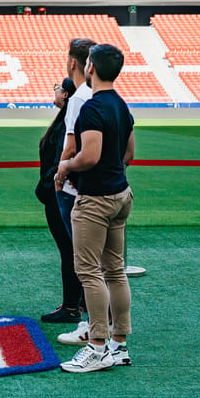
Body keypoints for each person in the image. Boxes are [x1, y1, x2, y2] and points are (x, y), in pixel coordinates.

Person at [55, 44, 136, 373]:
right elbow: (129, 151)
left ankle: (97, 346)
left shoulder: (92, 107)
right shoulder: (121, 105)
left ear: (91, 67)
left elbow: (88, 155)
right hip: (120, 194)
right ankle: (118, 344)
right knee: (115, 271)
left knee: (89, 272)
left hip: (95, 200)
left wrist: (64, 168)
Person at [52, 38, 97, 342]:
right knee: (104, 264)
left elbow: (70, 147)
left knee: (85, 262)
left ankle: (93, 327)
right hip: (103, 186)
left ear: (73, 64)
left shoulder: (79, 99)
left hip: (76, 189)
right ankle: (109, 330)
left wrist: (60, 172)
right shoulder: (104, 96)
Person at [36, 77, 83, 324]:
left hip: (59, 193)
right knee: (72, 249)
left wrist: (45, 188)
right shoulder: (67, 119)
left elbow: (60, 159)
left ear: (65, 95)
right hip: (59, 192)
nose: (54, 91)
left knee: (69, 250)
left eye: (57, 88)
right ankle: (80, 302)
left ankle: (71, 306)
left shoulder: (67, 122)